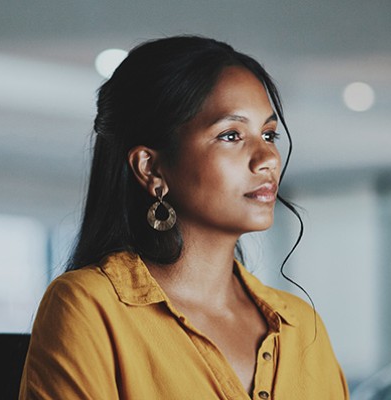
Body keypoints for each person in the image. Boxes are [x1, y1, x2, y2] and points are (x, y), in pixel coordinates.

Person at [18, 35, 348, 399]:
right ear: (151, 168)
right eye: (231, 135)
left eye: (269, 134)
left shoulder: (302, 325)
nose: (267, 158)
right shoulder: (88, 306)